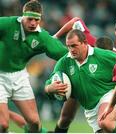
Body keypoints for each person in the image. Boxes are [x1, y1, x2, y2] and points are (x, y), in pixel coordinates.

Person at [0, 0, 67, 132]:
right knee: (3, 124)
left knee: (35, 122)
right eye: (30, 19)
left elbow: (64, 54)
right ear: (22, 17)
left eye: (37, 20)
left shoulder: (42, 36)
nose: (33, 23)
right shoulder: (7, 24)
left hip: (19, 76)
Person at [45, 29, 116, 133]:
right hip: (90, 109)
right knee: (67, 118)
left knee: (105, 122)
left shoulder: (102, 55)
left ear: (85, 43)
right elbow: (50, 81)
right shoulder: (64, 62)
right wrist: (50, 88)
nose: (71, 49)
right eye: (68, 46)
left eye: (74, 45)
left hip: (108, 95)